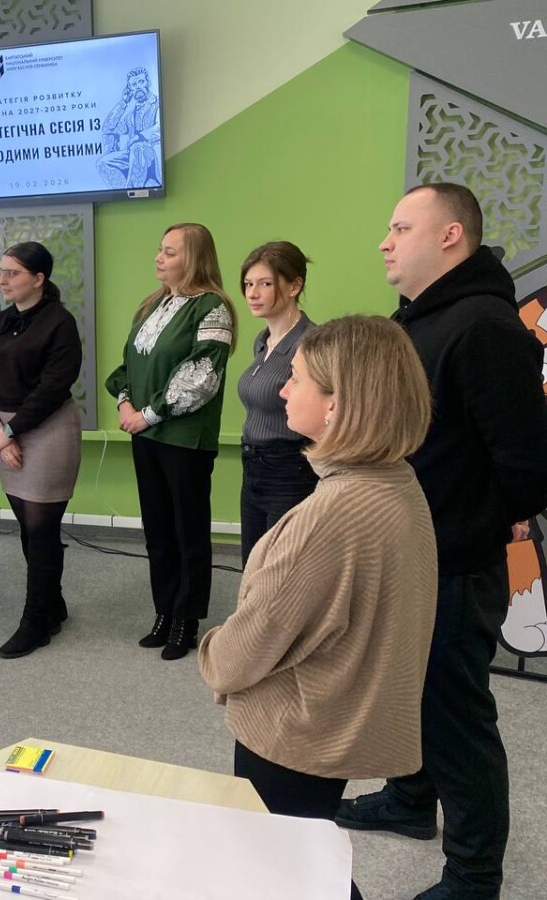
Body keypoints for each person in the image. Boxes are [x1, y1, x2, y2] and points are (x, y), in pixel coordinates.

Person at [335, 184, 547, 900]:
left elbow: (528, 462)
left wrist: (483, 519)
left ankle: (474, 876)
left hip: (452, 561)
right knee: (410, 695)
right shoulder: (422, 317)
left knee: (456, 718)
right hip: (411, 554)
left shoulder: (483, 326)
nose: (385, 241)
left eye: (401, 228)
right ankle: (408, 798)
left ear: (450, 235)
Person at [200, 316, 438, 900]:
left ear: (337, 404)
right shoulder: (396, 481)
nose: (282, 389)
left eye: (298, 378)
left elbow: (244, 651)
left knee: (281, 868)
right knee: (303, 860)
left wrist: (211, 652)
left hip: (298, 731)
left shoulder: (330, 518)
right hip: (338, 717)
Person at [105, 222, 235, 659]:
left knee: (187, 532)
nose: (159, 258)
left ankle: (186, 619)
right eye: (160, 250)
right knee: (157, 530)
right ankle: (163, 610)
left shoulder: (212, 307)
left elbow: (203, 376)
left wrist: (147, 414)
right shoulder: (151, 305)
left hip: (184, 439)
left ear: (194, 258)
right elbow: (127, 366)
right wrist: (125, 403)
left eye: (170, 252)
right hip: (146, 434)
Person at [0, 241, 82, 659]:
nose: (2, 280)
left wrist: (9, 431)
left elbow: (53, 388)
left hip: (48, 426)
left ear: (39, 279)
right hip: (4, 431)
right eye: (1, 271)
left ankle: (35, 622)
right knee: (27, 526)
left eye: (12, 273)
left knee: (40, 528)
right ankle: (53, 605)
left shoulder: (60, 323)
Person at [236, 241, 319, 564]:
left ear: (294, 286)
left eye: (265, 284)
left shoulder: (311, 342)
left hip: (289, 467)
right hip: (252, 465)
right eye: (248, 284)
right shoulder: (262, 341)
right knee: (253, 564)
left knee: (281, 568)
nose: (253, 294)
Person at [97, 66, 161, 190]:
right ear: (130, 88)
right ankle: (125, 192)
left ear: (148, 82)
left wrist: (138, 137)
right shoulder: (130, 116)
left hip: (153, 152)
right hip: (133, 154)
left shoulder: (158, 104)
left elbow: (158, 128)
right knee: (102, 163)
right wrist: (123, 103)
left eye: (141, 82)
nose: (138, 87)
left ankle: (132, 188)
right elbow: (108, 128)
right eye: (134, 84)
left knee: (138, 147)